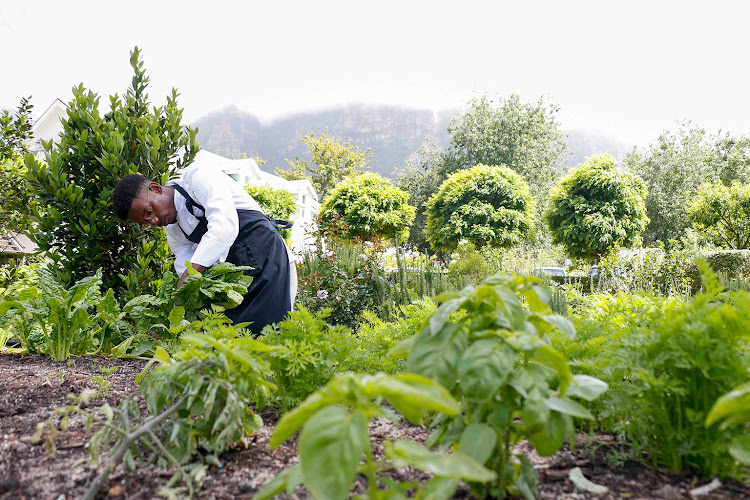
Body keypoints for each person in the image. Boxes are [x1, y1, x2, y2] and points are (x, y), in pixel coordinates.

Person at [112, 163, 296, 335]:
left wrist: (189, 276)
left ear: (155, 189)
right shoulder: (173, 230)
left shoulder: (199, 178)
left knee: (274, 333)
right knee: (235, 341)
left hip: (267, 258)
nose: (153, 222)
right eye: (145, 223)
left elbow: (223, 225)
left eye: (149, 212)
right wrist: (187, 299)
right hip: (236, 280)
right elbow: (185, 266)